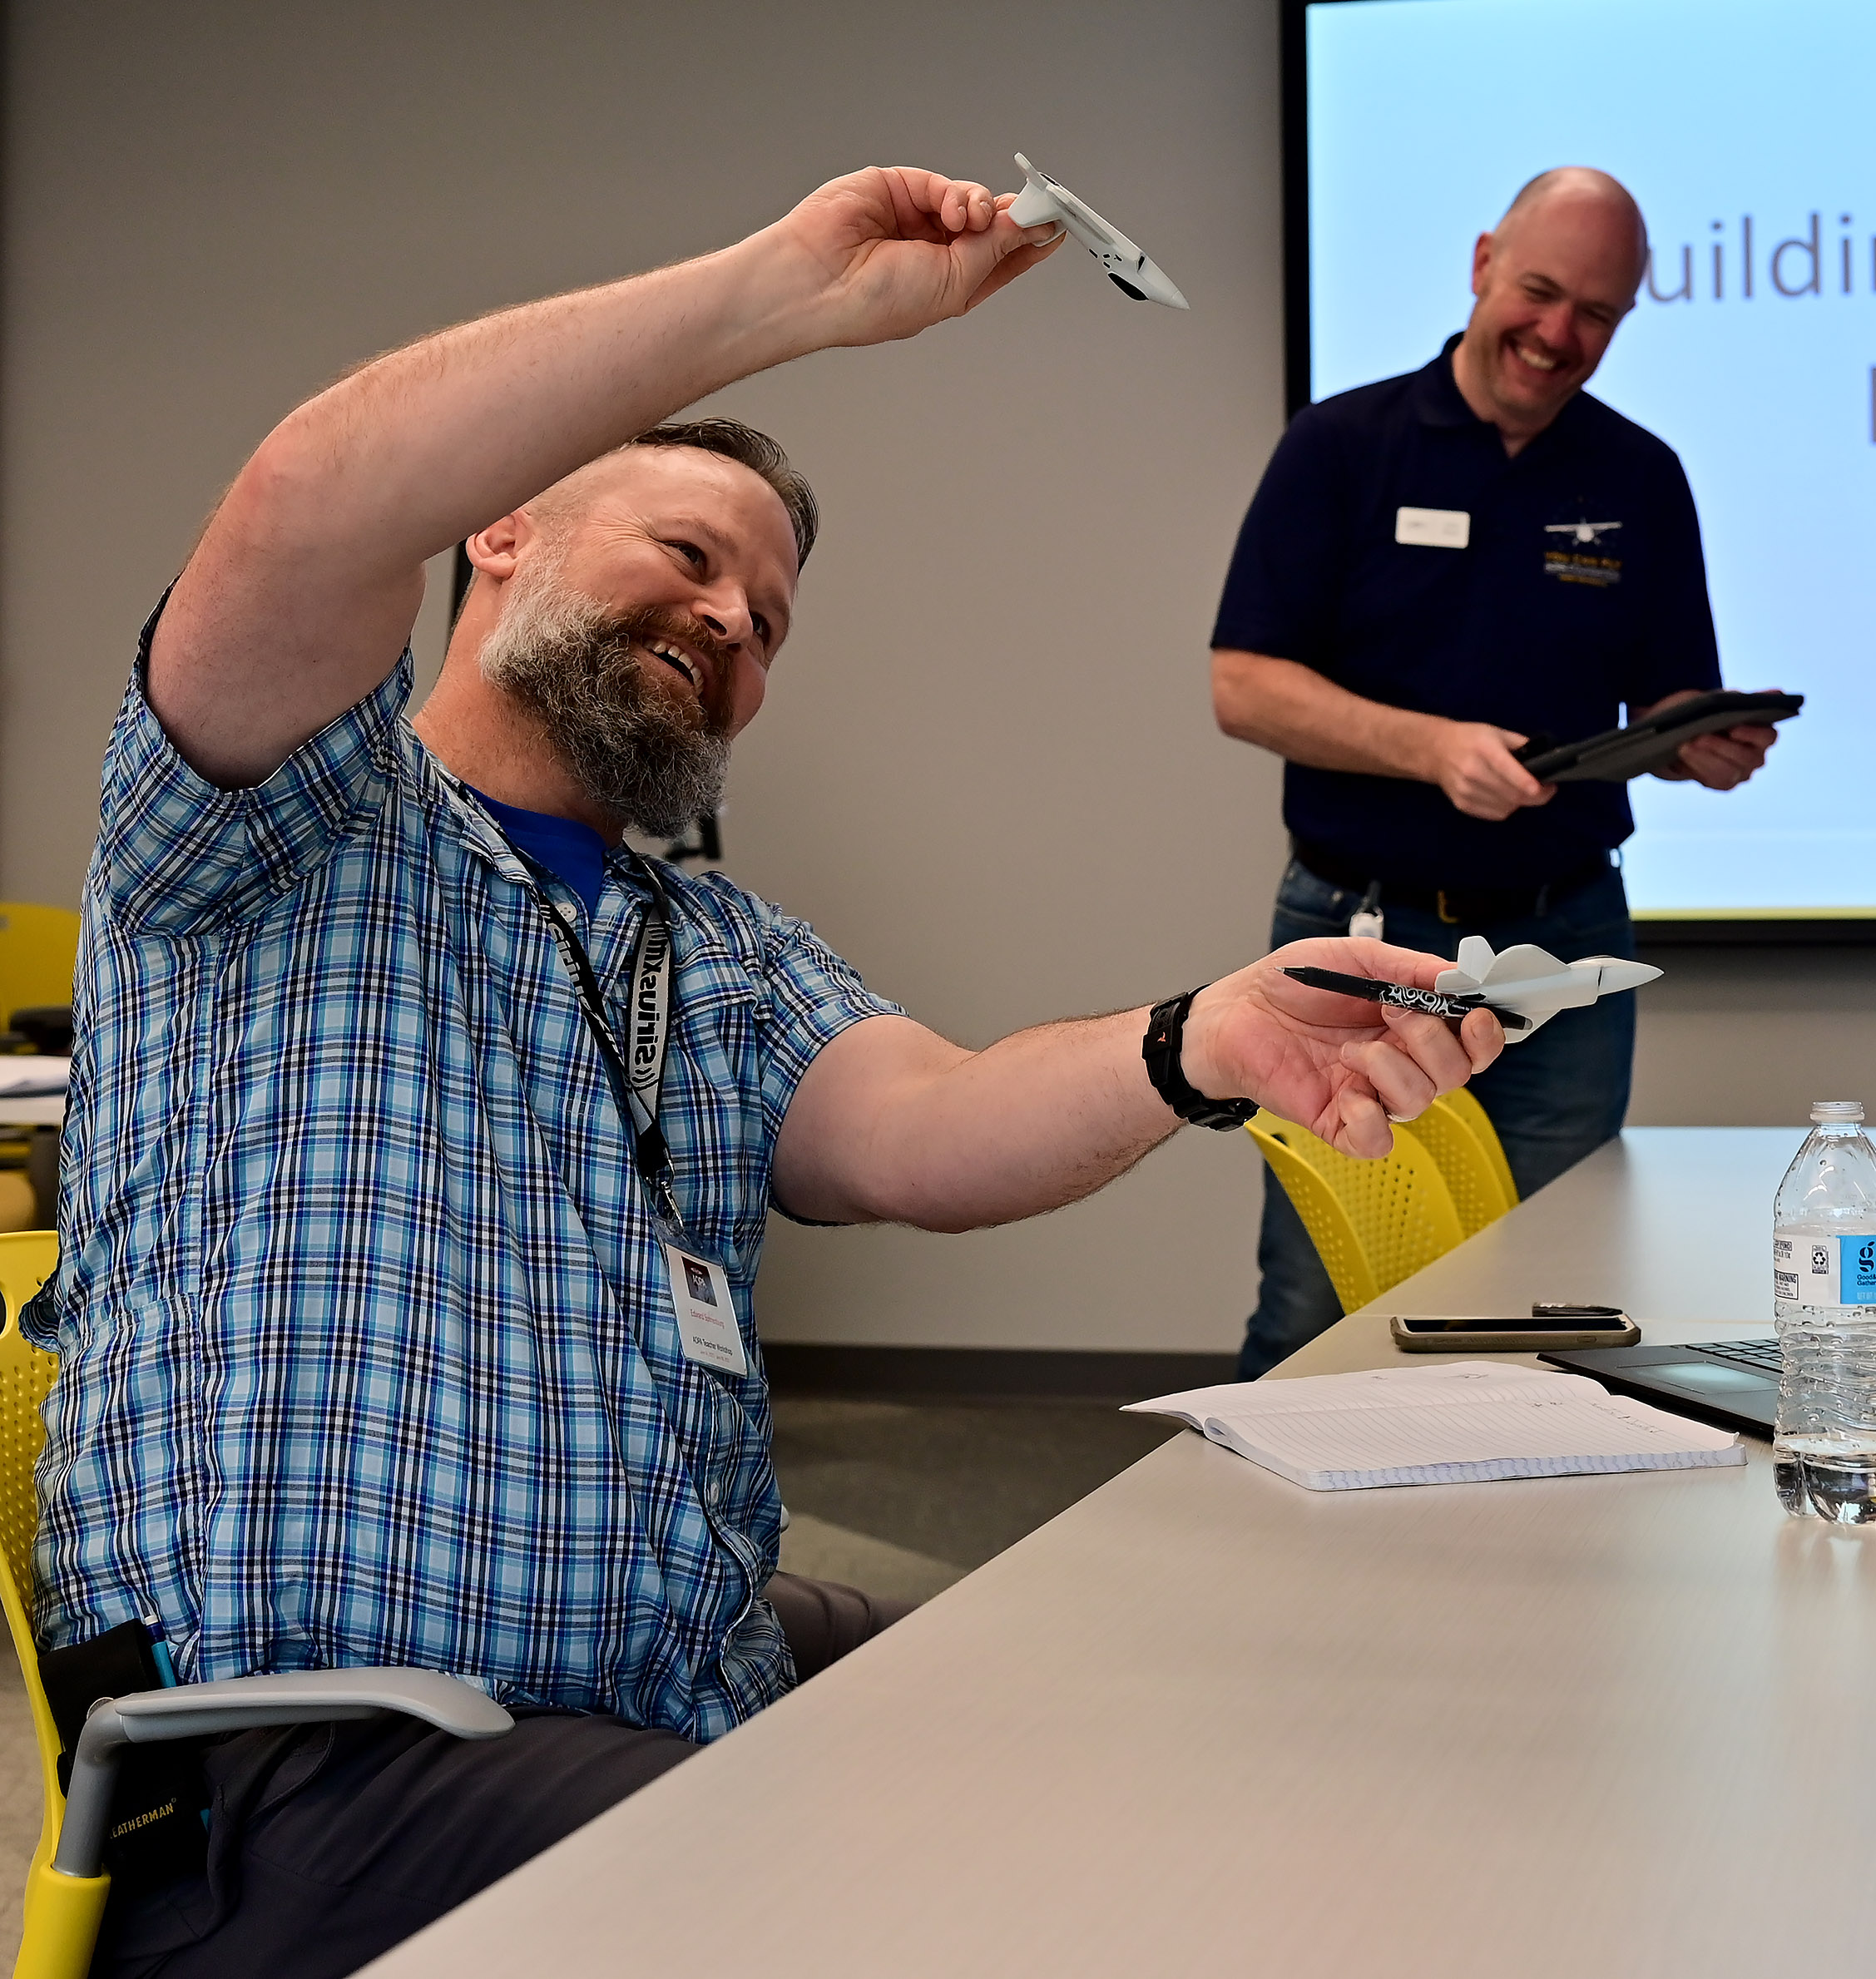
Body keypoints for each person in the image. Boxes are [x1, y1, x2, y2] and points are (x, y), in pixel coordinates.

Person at [31, 166, 1503, 1977]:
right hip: (325, 1767)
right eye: (686, 554)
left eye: (771, 616)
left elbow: (935, 1121)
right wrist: (776, 298)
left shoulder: (709, 946)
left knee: (1138, 1741)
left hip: (660, 1687)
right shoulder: (291, 821)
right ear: (498, 530)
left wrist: (1192, 1043)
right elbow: (310, 501)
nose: (735, 620)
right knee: (960, 1909)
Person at [1209, 166, 1779, 1377]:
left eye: (1599, 314)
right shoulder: (1343, 447)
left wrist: (1701, 744)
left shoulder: (1639, 476)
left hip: (1565, 948)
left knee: (1555, 1308)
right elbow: (1244, 685)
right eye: (1539, 291)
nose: (1560, 333)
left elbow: (1667, 698)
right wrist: (1431, 748)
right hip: (1359, 939)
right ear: (1480, 265)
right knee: (1320, 1309)